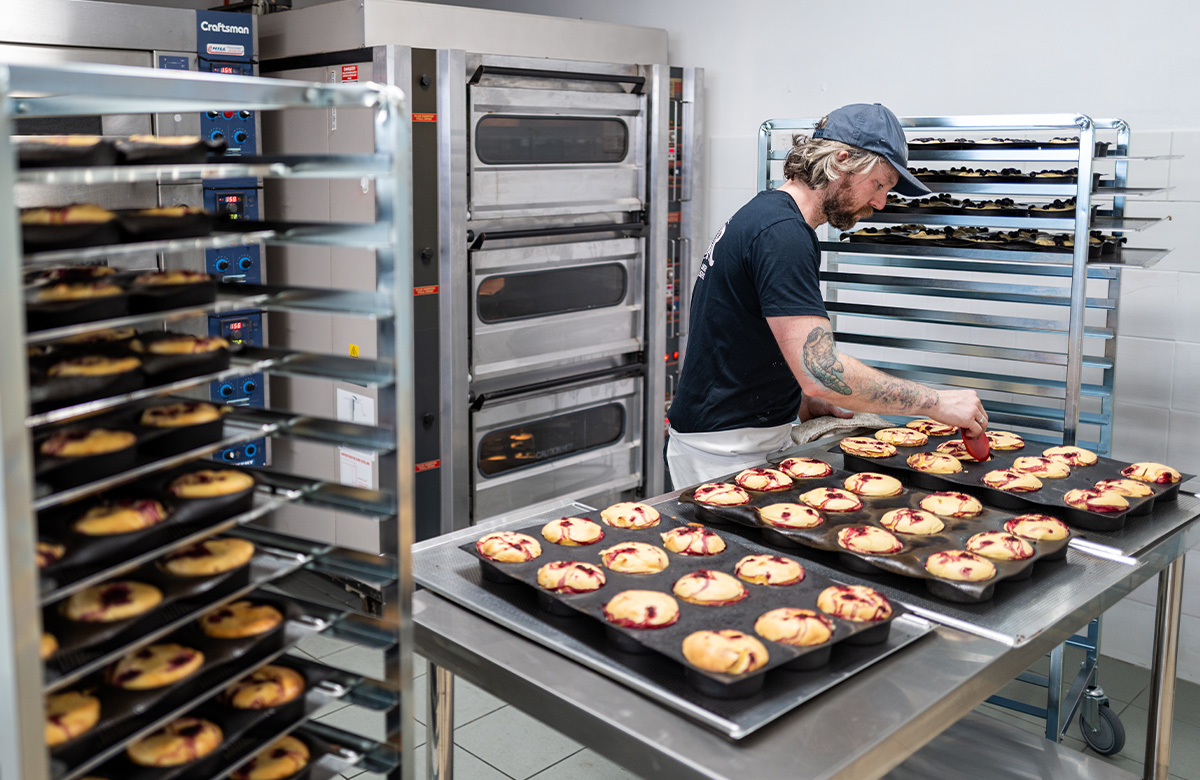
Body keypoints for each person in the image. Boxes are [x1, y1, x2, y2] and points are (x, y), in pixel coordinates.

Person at [666, 102, 988, 488]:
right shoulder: (782, 235)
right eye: (879, 184)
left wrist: (801, 399)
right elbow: (821, 371)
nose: (881, 202)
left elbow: (745, 333)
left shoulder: (769, 214)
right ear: (841, 161)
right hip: (725, 451)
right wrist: (936, 403)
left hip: (736, 435)